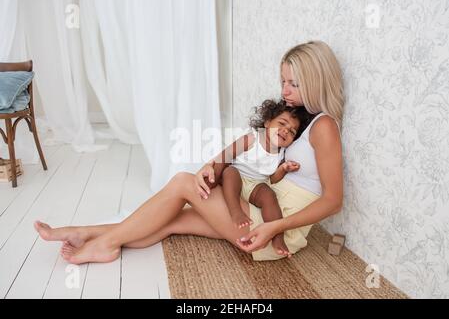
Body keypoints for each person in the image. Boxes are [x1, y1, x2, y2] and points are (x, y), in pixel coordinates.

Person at [34, 40, 344, 264]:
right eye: (283, 82)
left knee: (183, 183)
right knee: (173, 219)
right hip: (260, 209)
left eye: (294, 83)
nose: (285, 90)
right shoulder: (301, 120)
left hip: (272, 228)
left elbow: (333, 200)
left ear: (316, 81)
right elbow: (249, 153)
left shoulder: (324, 126)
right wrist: (210, 168)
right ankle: (85, 234)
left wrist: (274, 227)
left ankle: (100, 244)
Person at [219, 99, 314, 255]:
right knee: (229, 172)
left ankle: (277, 237)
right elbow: (226, 155)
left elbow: (273, 179)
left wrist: (283, 168)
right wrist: (213, 175)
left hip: (255, 186)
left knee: (269, 195)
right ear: (268, 122)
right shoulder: (252, 138)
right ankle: (235, 211)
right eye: (282, 124)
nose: (285, 131)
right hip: (236, 177)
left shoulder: (281, 154)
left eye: (291, 131)